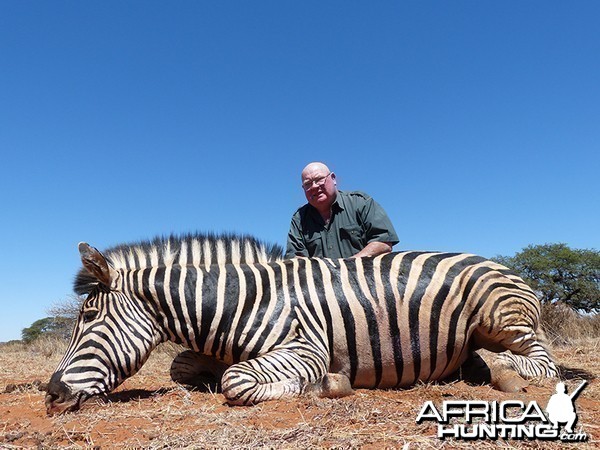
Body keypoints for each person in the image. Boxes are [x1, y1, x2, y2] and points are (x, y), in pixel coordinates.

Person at [285, 162, 399, 259]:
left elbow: (383, 243)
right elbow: (296, 260)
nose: (314, 186)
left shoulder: (360, 203)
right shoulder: (299, 219)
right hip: (320, 284)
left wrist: (345, 268)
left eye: (319, 179)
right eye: (308, 184)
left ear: (333, 178)